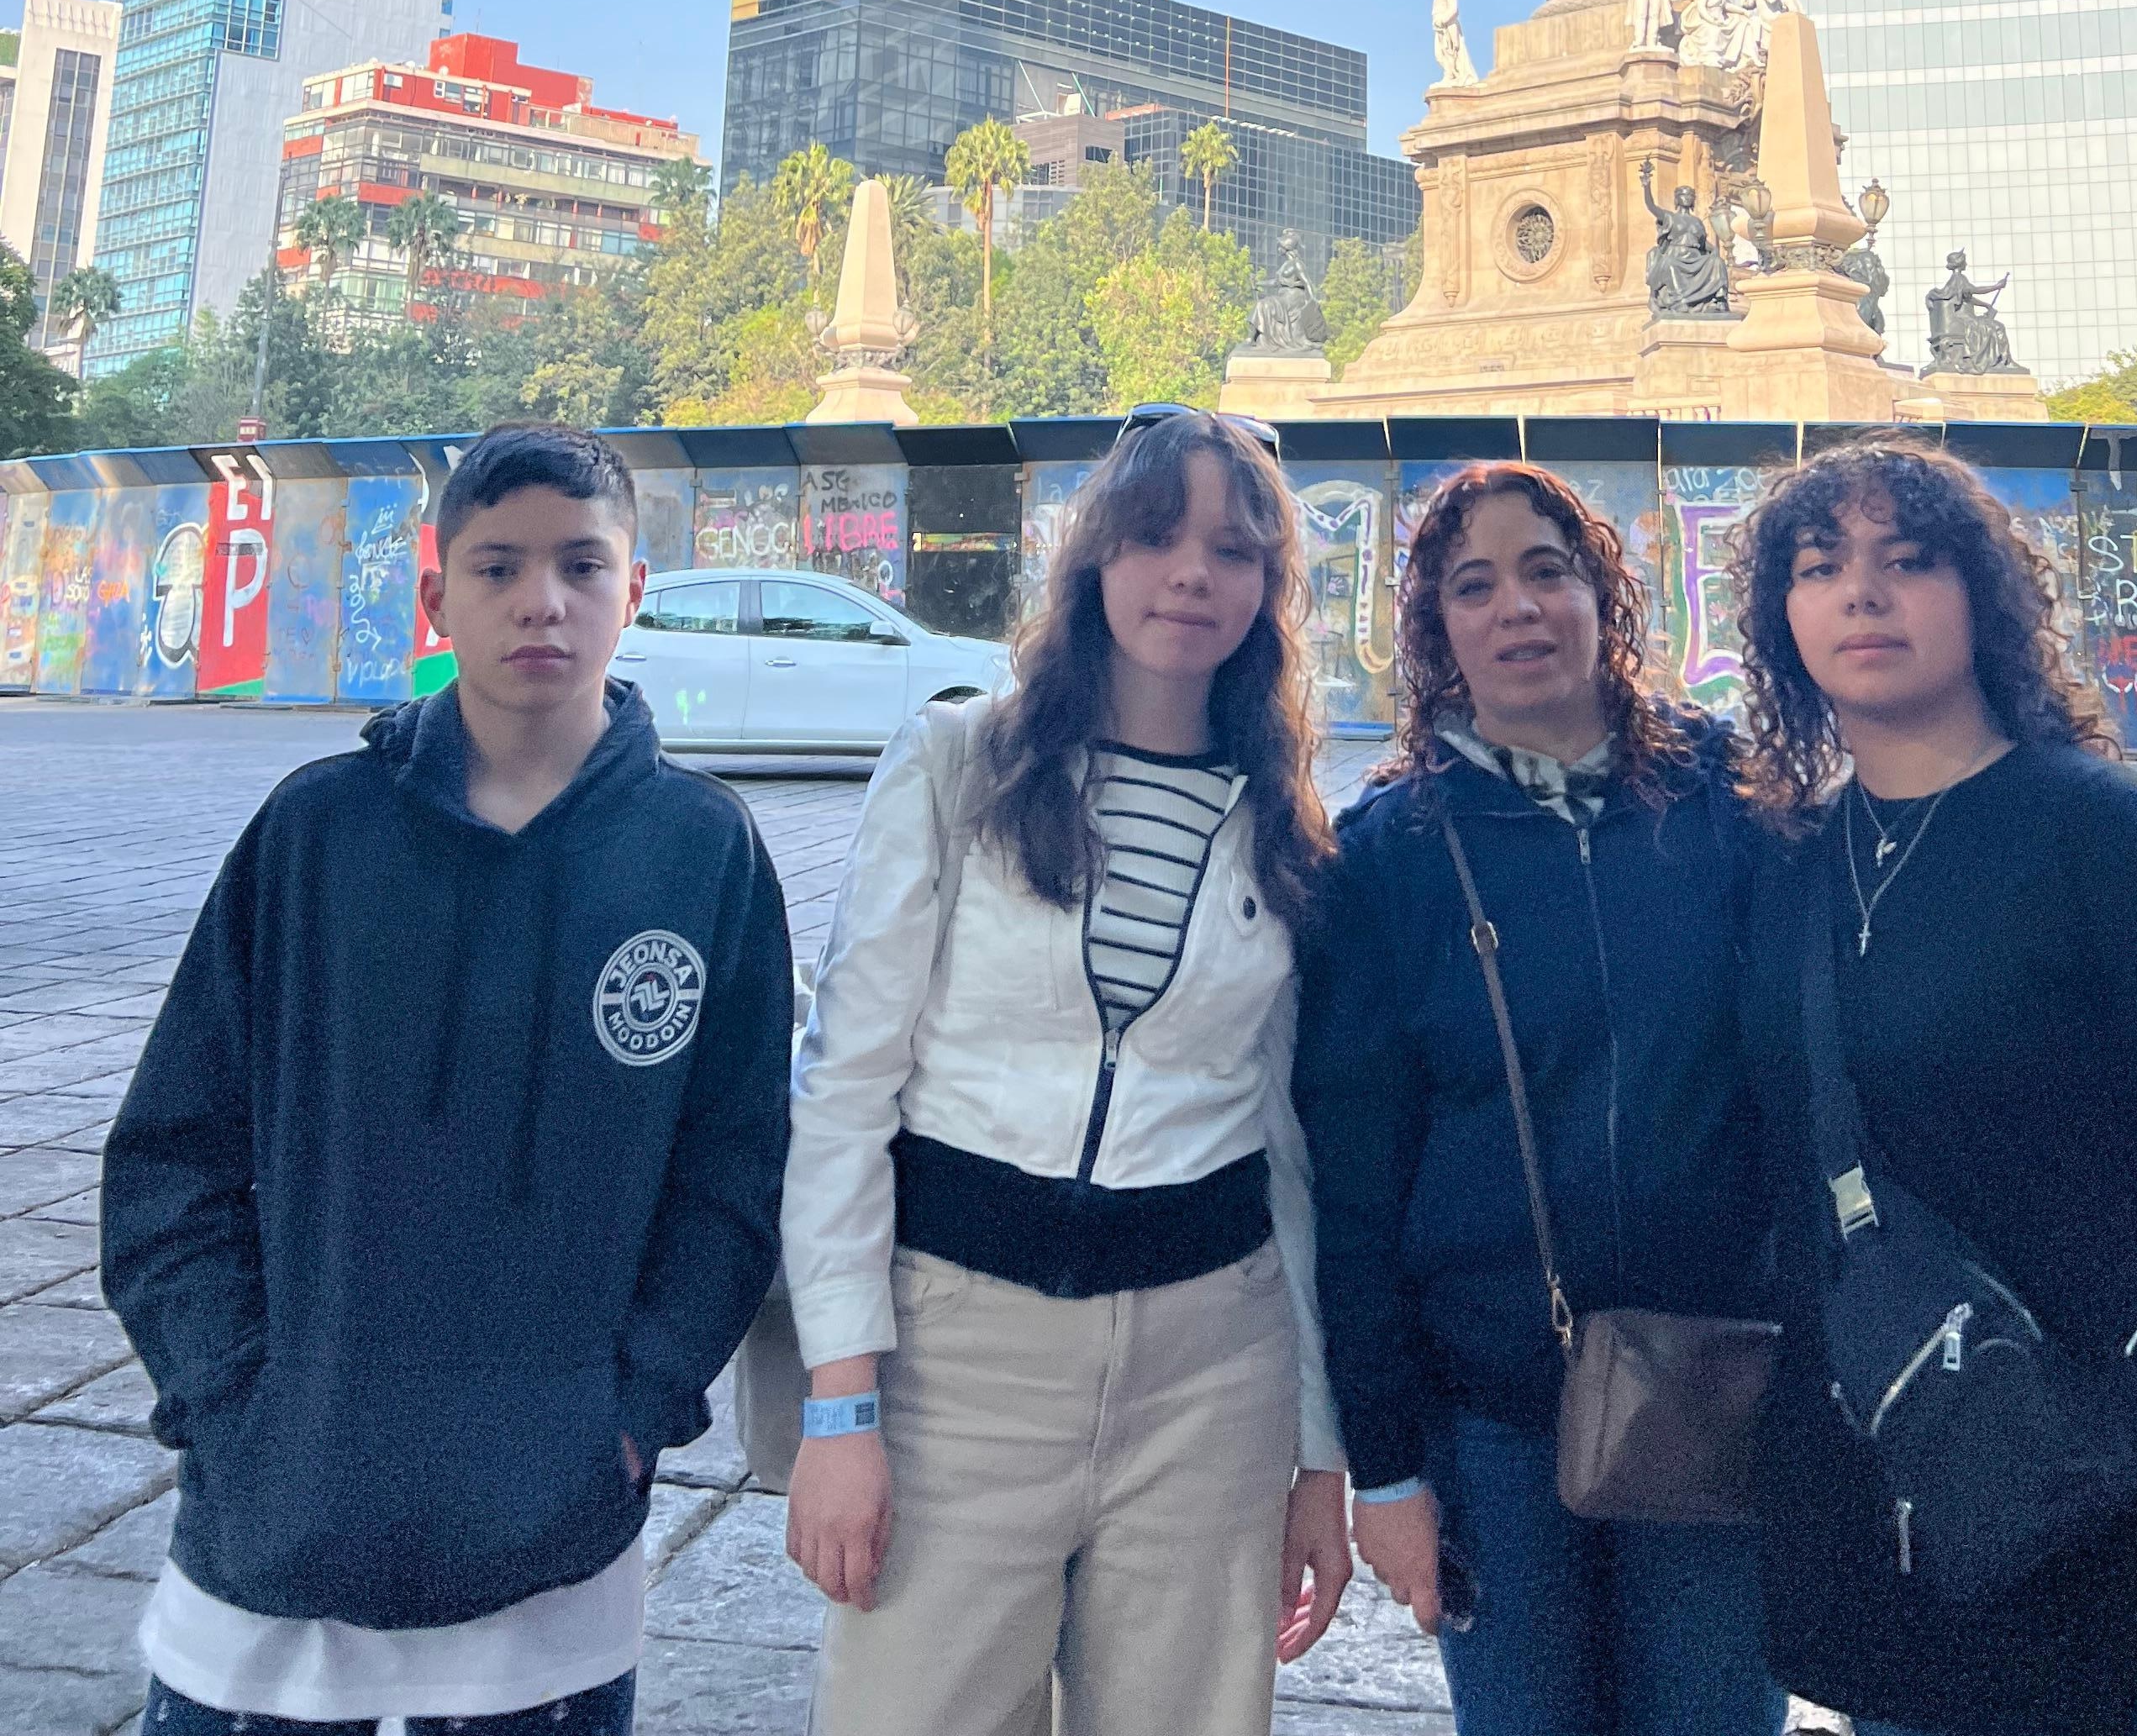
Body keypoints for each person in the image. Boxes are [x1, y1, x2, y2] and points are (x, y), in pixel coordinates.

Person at [103, 423, 794, 1736]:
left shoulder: (705, 854)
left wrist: (637, 1407)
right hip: (274, 1543)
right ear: (436, 597)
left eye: (583, 565)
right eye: (499, 567)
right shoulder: (315, 833)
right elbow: (172, 1152)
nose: (543, 600)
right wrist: (226, 1397)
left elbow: (732, 1173)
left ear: (633, 592)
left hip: (553, 1561)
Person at [1727, 439, 2137, 1736]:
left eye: (1908, 562)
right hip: (1929, 1525)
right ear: (1778, 617)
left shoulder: (2106, 838)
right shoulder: (1794, 867)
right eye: (1822, 567)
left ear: (1983, 599)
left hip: (2134, 1529)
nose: (1864, 594)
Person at [781, 403, 1351, 1734]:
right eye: (1154, 538)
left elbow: (1291, 1148)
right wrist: (840, 1404)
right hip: (956, 1358)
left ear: (1271, 585)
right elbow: (845, 1090)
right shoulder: (956, 761)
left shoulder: (1283, 823)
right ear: (1093, 559)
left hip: (1213, 1373)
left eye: (1231, 548)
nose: (1191, 576)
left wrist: (1317, 1449)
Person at [1293, 464, 1777, 1736]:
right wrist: (1384, 1469)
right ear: (1436, 631)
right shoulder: (1391, 855)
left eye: (1546, 570)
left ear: (1600, 594)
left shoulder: (1730, 800)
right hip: (1495, 1416)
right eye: (1475, 584)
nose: (1518, 606)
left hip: (1719, 1391)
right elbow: (1352, 1183)